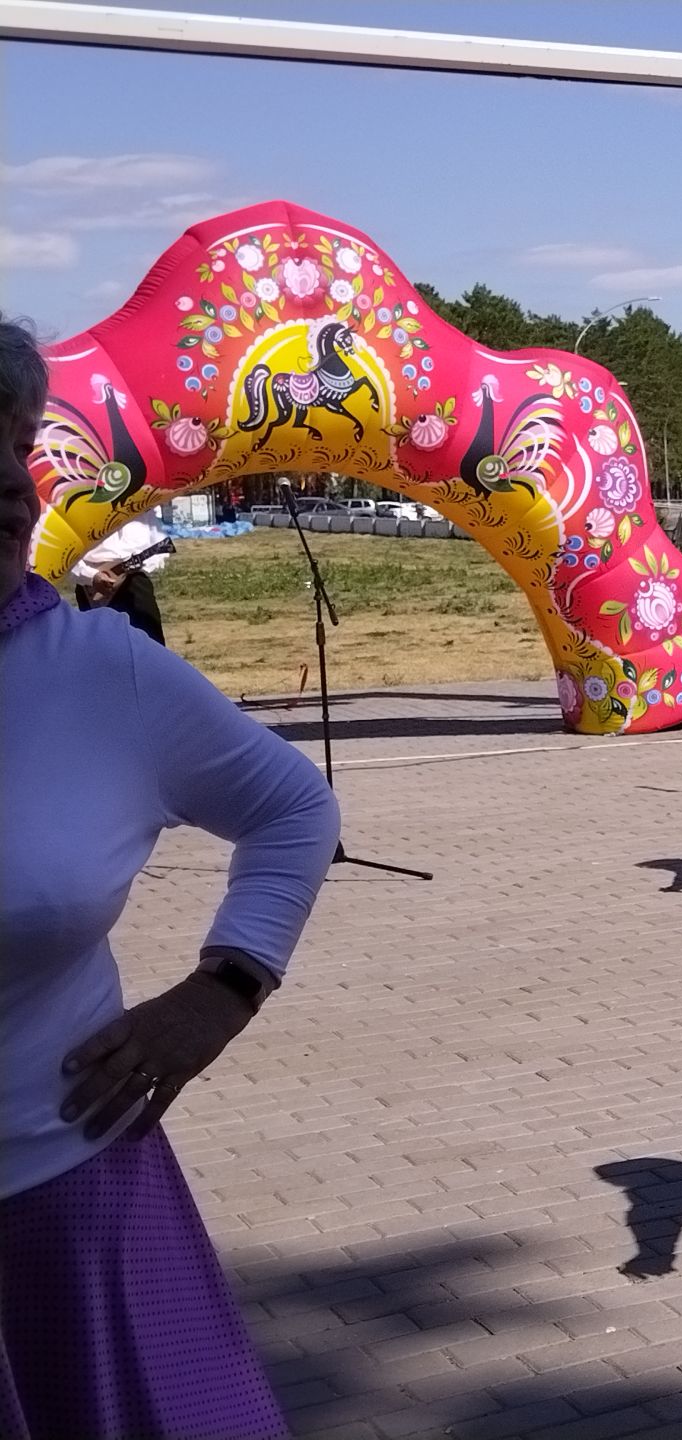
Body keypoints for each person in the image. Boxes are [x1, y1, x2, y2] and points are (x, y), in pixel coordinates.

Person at [0, 317, 341, 1439]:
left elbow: (295, 807)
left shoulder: (97, 671)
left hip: (67, 1205)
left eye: (14, 449)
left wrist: (227, 986)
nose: (14, 490)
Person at [72, 506, 170, 646]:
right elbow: (64, 552)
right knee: (102, 649)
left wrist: (145, 562)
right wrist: (90, 576)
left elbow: (156, 539)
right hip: (94, 584)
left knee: (151, 646)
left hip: (135, 582)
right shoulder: (75, 497)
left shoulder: (144, 497)